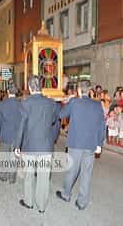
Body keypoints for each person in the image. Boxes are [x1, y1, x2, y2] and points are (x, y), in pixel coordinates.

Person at [56, 80, 105, 210]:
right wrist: (99, 144)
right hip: (91, 144)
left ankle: (66, 194)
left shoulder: (74, 102)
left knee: (72, 171)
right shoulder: (97, 105)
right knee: (86, 173)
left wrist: (65, 102)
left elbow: (61, 115)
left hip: (76, 144)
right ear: (90, 91)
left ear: (78, 90)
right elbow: (102, 125)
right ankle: (82, 202)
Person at [14, 76, 60, 213]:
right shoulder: (51, 103)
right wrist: (52, 138)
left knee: (28, 175)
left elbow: (21, 126)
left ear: (29, 87)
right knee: (44, 177)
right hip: (46, 146)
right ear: (41, 87)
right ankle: (41, 206)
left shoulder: (26, 103)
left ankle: (28, 202)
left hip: (29, 146)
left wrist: (17, 146)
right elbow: (54, 122)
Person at [0, 83, 22, 184]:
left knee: (4, 156)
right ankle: (12, 178)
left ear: (7, 92)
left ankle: (3, 175)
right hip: (17, 137)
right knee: (15, 157)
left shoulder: (2, 105)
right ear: (16, 93)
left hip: (5, 135)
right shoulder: (21, 105)